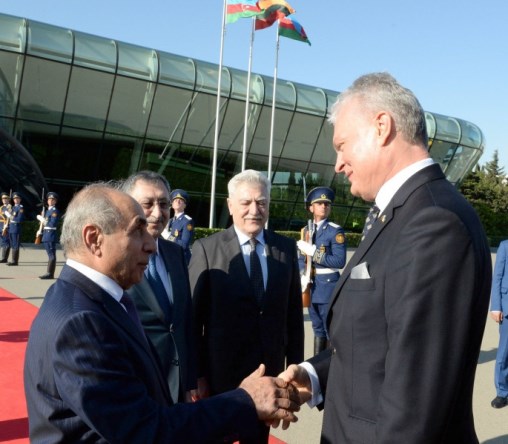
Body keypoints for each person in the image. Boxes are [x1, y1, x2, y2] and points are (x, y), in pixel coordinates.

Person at [278, 73, 492, 443]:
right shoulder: (401, 212)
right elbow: (376, 344)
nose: (338, 164)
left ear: (382, 127)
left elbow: (414, 406)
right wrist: (314, 376)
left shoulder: (433, 222)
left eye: (342, 145)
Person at [24, 182, 301, 443]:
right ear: (94, 239)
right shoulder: (81, 323)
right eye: (137, 231)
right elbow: (145, 431)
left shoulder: (93, 300)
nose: (151, 244)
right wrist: (246, 400)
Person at [189, 169, 304, 444]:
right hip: (220, 378)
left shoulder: (285, 249)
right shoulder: (206, 249)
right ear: (230, 205)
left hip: (269, 374)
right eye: (246, 203)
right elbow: (193, 321)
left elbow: (293, 317)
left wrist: (295, 370)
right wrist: (197, 376)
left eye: (261, 202)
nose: (255, 210)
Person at [120, 171, 197, 404]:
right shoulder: (116, 258)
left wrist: (190, 381)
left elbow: (185, 322)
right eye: (147, 204)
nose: (157, 212)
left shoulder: (175, 253)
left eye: (163, 204)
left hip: (178, 389)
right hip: (136, 387)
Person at [297, 186, 346, 355]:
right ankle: (317, 365)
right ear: (311, 208)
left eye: (327, 204)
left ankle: (332, 365)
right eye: (319, 203)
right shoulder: (306, 231)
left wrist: (314, 253)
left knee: (329, 328)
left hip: (327, 287)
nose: (324, 206)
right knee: (317, 327)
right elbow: (301, 258)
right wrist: (302, 274)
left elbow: (339, 261)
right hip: (311, 286)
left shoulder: (335, 231)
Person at [490, 239, 508, 409]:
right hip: (507, 309)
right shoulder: (505, 246)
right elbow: (497, 278)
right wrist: (496, 306)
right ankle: (502, 392)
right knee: (504, 353)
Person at [162, 188, 194, 264]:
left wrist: (169, 237)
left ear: (185, 205)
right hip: (169, 257)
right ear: (172, 204)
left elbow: (184, 244)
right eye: (175, 200)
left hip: (181, 259)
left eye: (181, 200)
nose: (178, 201)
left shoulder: (187, 221)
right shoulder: (169, 221)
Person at [37, 191, 61, 279]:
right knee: (50, 255)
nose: (50, 201)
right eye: (49, 199)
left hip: (51, 234)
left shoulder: (54, 211)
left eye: (52, 200)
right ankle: (49, 273)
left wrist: (43, 221)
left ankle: (50, 273)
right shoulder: (48, 211)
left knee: (51, 255)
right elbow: (45, 223)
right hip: (46, 234)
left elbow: (53, 223)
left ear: (55, 201)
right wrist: (40, 230)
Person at [6, 191, 24, 266]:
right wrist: (8, 209)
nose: (16, 200)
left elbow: (19, 219)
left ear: (20, 199)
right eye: (14, 199)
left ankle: (15, 261)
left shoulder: (20, 208)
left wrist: (11, 217)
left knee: (16, 244)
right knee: (13, 244)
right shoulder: (13, 207)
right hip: (11, 227)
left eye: (17, 198)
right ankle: (13, 260)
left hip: (16, 227)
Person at [0, 192, 11, 263]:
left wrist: (6, 225)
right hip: (0, 226)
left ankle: (4, 258)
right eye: (3, 198)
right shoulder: (1, 208)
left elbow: (10, 217)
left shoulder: (10, 207)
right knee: (2, 242)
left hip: (6, 226)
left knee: (6, 242)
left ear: (8, 199)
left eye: (5, 198)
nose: (4, 199)